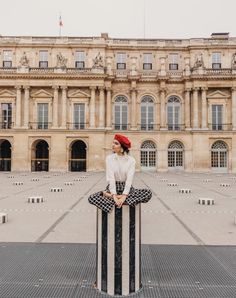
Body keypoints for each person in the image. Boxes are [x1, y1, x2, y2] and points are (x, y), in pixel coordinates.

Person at [88, 134, 152, 212]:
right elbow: (111, 178)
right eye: (113, 143)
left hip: (127, 189)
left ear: (122, 147)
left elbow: (129, 180)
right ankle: (117, 199)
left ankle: (112, 200)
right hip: (112, 188)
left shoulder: (131, 160)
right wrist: (114, 195)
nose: (113, 145)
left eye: (116, 143)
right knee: (92, 198)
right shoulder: (109, 158)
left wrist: (124, 195)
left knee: (148, 193)